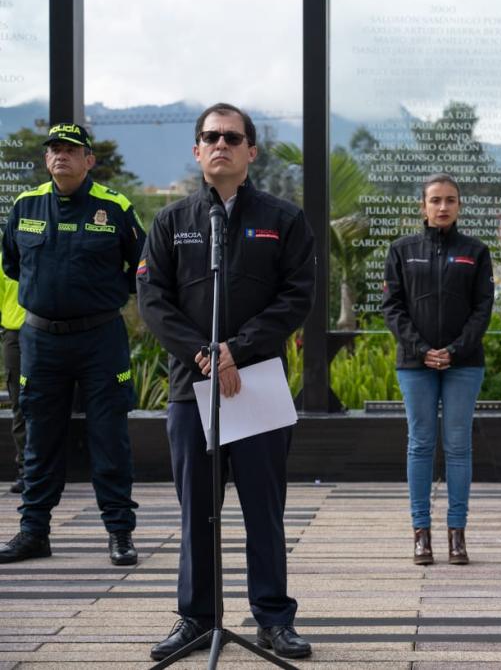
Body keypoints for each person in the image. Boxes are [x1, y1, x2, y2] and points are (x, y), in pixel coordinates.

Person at [137, 103, 315, 660]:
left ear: (251, 150)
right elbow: (152, 301)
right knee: (197, 507)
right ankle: (196, 617)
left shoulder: (284, 219)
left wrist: (238, 348)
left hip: (256, 382)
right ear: (196, 151)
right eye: (210, 137)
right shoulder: (172, 221)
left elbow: (297, 296)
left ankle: (272, 619)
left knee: (264, 506)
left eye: (232, 137)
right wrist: (203, 353)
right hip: (193, 385)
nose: (221, 144)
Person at [0, 122, 143, 567]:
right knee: (39, 437)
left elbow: (140, 268)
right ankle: (33, 532)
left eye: (71, 149)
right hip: (41, 340)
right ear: (46, 160)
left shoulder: (115, 206)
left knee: (109, 436)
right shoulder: (25, 204)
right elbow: (12, 263)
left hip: (100, 338)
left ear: (89, 161)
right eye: (54, 150)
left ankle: (119, 533)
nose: (61, 155)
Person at [382, 173, 494, 567]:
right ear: (423, 206)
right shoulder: (401, 250)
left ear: (459, 206)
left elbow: (484, 308)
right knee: (421, 443)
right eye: (435, 200)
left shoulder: (476, 251)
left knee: (459, 446)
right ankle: (421, 535)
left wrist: (455, 350)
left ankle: (457, 535)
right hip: (415, 364)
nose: (443, 207)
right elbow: (392, 307)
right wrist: (422, 348)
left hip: (463, 364)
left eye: (450, 200)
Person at [0, 259, 26, 494]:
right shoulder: (2, 261)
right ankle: (25, 470)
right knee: (19, 403)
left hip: (48, 332)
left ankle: (48, 467)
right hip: (14, 337)